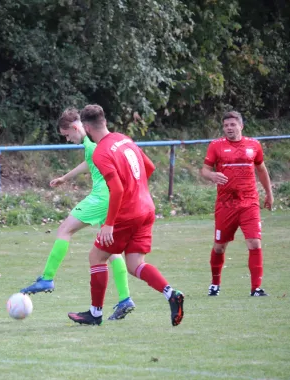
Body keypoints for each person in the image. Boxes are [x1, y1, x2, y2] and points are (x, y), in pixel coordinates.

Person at [67, 104, 184, 326]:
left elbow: (118, 190)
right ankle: (171, 294)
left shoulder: (101, 152)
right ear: (104, 121)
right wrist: (137, 189)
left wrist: (109, 224)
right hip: (146, 208)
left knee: (96, 257)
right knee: (135, 264)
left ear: (88, 127)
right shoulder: (124, 139)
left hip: (127, 212)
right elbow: (149, 167)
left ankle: (95, 314)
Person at [20, 107, 136, 320]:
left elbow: (93, 157)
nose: (67, 139)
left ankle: (47, 278)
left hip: (101, 198)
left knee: (65, 229)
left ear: (76, 127)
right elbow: (90, 161)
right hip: (111, 200)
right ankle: (124, 299)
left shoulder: (91, 143)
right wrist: (66, 177)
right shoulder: (93, 143)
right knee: (111, 251)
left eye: (67, 135)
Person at [200, 110, 274, 297]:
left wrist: (269, 194)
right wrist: (211, 175)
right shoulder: (216, 146)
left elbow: (262, 170)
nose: (229, 128)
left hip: (249, 202)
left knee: (254, 243)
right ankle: (215, 284)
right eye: (226, 125)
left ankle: (256, 288)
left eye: (233, 124)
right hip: (225, 204)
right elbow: (204, 170)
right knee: (219, 246)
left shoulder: (254, 145)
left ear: (241, 125)